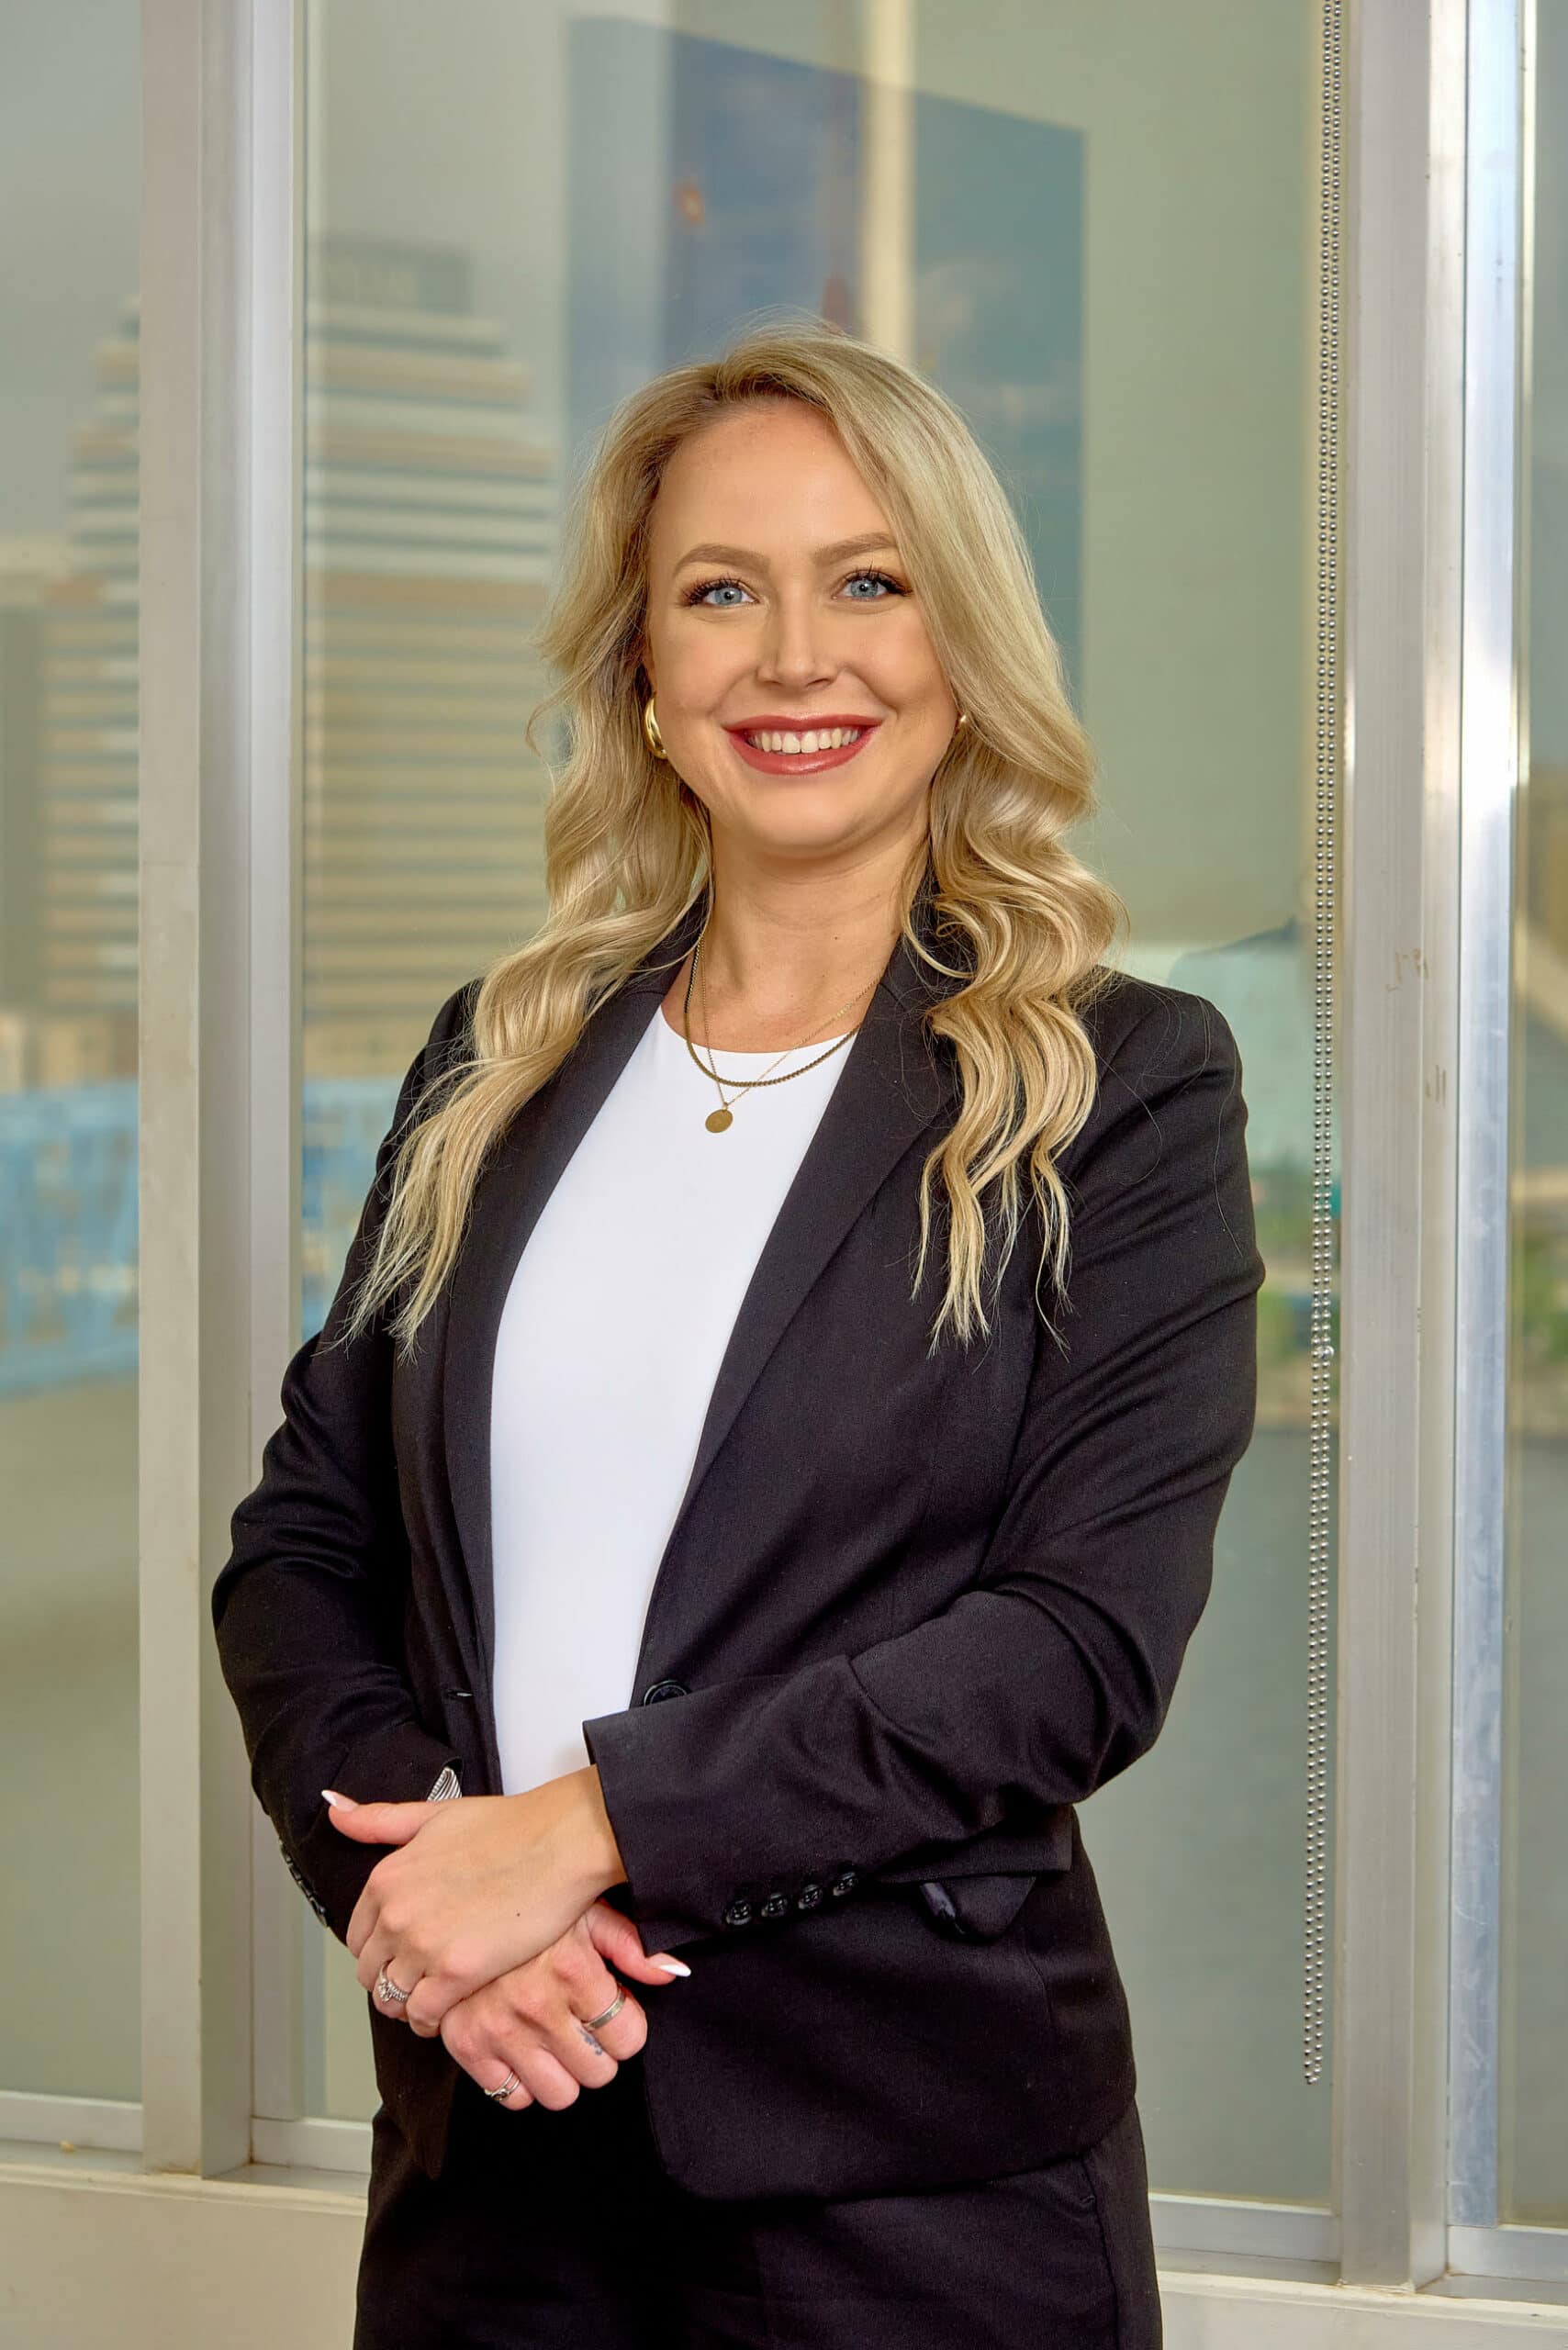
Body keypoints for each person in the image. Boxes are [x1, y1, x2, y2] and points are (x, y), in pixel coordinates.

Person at [212, 317, 1264, 2349]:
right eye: (719, 593)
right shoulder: (500, 1060)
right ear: (642, 663)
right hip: (497, 2144)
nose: (795, 658)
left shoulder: (1122, 1085)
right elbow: (303, 1548)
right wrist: (432, 1901)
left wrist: (588, 1830)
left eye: (867, 582)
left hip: (911, 2188)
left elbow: (1074, 1646)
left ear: (962, 644)